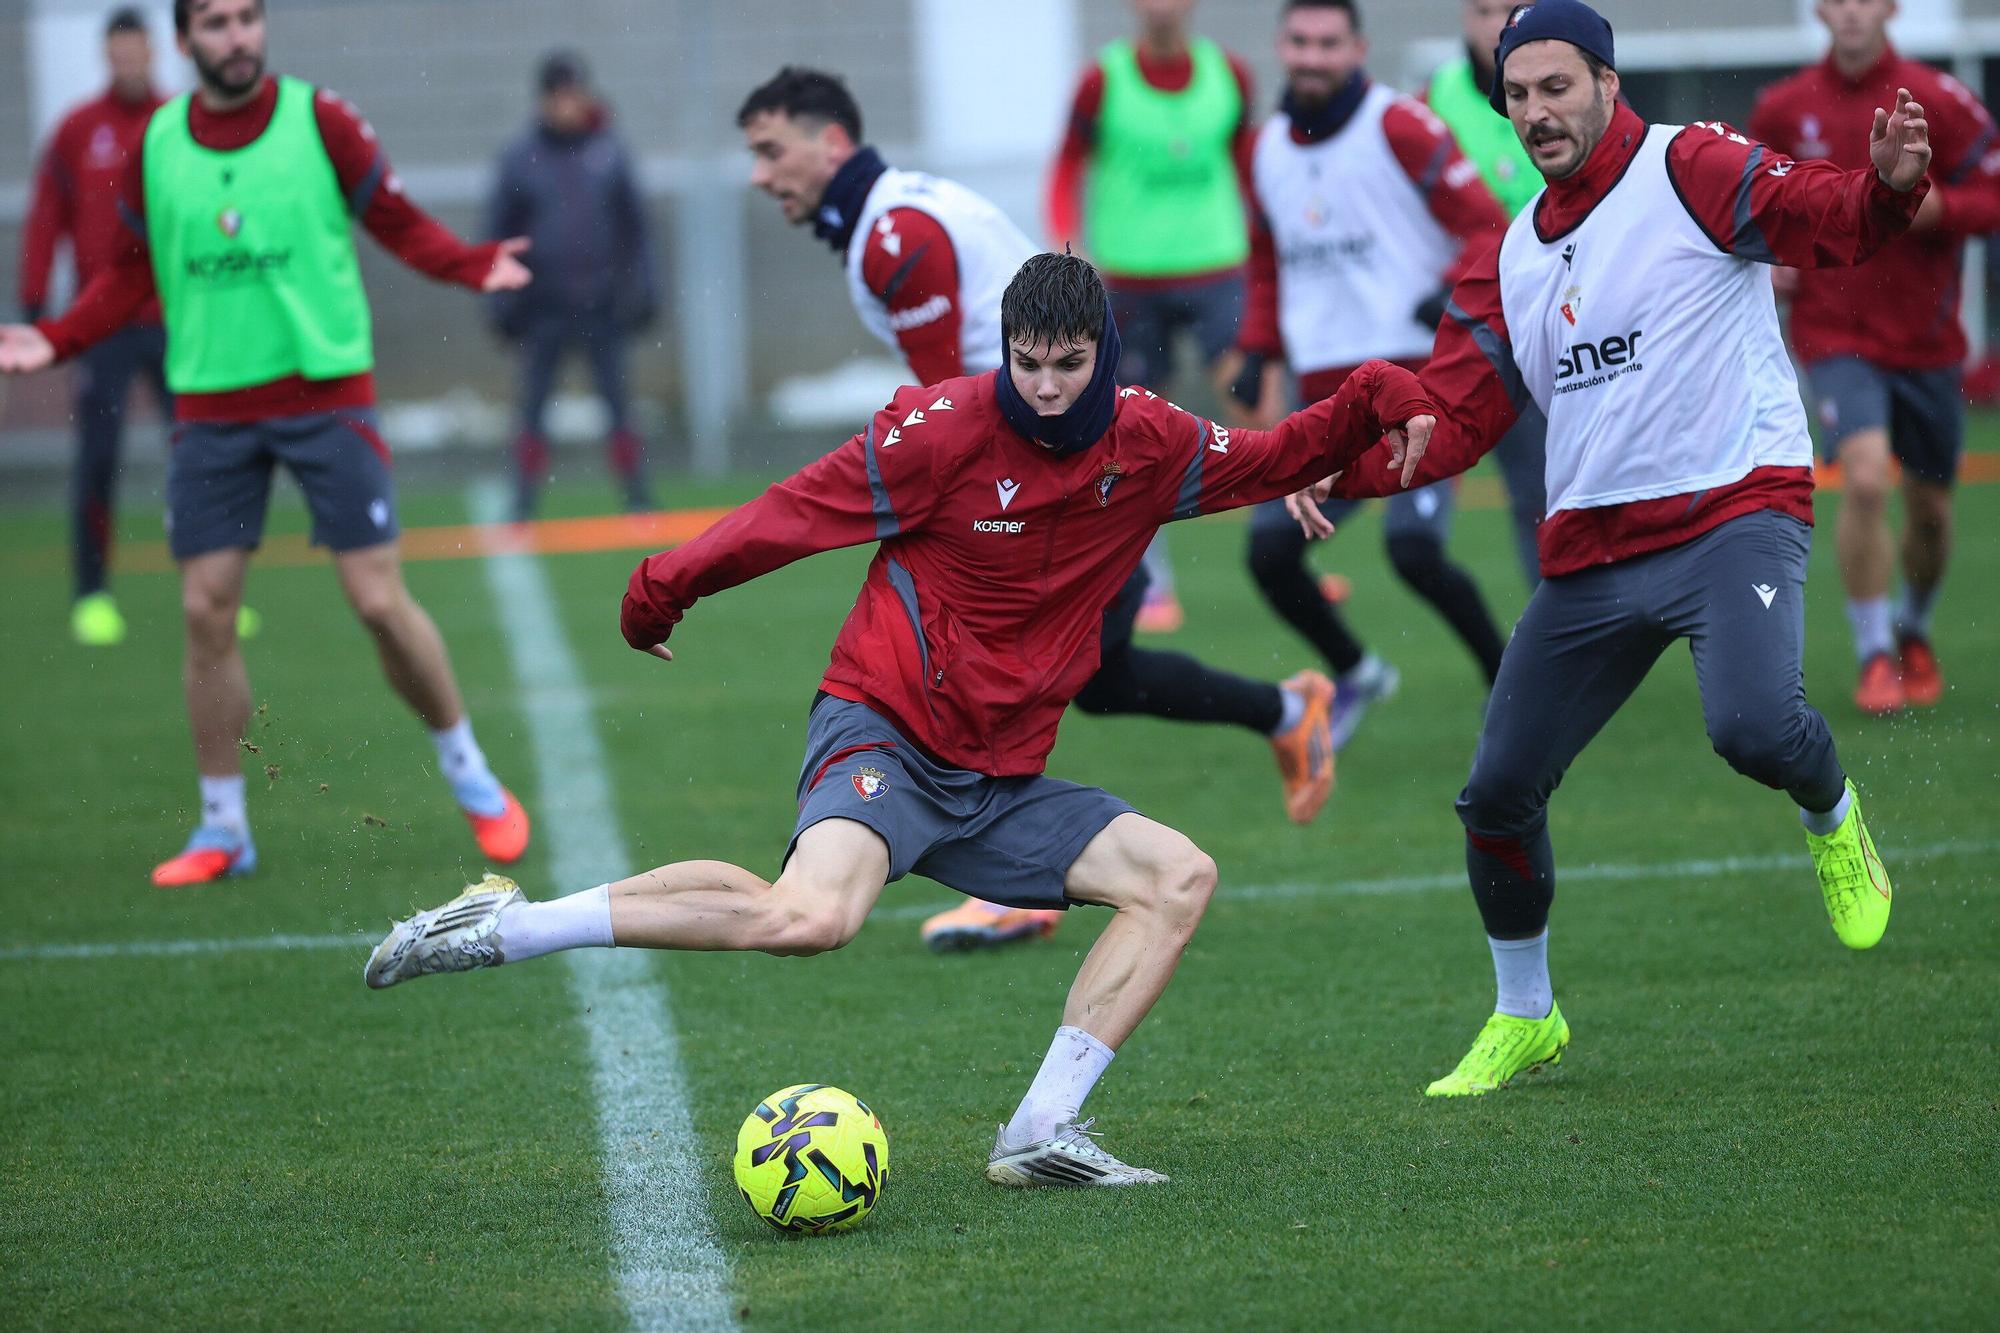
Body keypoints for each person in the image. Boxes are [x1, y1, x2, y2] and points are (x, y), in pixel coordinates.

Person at [365, 251, 1437, 1187]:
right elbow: (791, 512)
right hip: (887, 729)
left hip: (1001, 774)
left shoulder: (1148, 440)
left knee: (1176, 877)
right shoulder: (937, 433)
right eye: (1028, 362)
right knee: (809, 920)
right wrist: (664, 583)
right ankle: (503, 925)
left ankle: (1040, 1129)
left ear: (1103, 354)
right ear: (1005, 350)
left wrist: (1378, 395)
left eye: (1070, 365)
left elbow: (1278, 455)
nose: (1048, 388)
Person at [1284, 0, 1910, 1096]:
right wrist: (1339, 462)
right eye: (1516, 96)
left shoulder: (1690, 168)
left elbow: (1824, 216)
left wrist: (1886, 188)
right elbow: (1450, 418)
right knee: (1494, 795)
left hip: (1731, 514)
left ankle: (1832, 815)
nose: (1534, 113)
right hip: (1592, 554)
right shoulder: (1505, 259)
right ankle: (1524, 1013)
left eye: (1555, 88)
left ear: (1607, 85)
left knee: (1754, 729)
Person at [735, 67, 1340, 954]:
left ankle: (1014, 880)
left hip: (1065, 478)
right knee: (1100, 675)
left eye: (770, 150)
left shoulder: (894, 232)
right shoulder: (889, 213)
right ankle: (1287, 712)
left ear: (831, 143)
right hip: (1057, 469)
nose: (760, 172)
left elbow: (948, 412)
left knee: (1028, 655)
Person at [0, 0, 534, 886]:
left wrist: (471, 264)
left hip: (329, 399)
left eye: (248, 17)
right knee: (204, 609)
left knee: (376, 600)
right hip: (211, 408)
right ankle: (224, 826)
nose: (237, 36)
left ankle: (471, 775)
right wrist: (55, 339)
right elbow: (128, 275)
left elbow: (397, 220)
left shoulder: (319, 119)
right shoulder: (157, 146)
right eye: (215, 22)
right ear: (184, 43)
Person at [1223, 0, 1522, 747]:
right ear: (1279, 47)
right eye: (1300, 41)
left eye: (1329, 43)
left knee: (1414, 551)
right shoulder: (1261, 148)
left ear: (1357, 47)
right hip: (1321, 393)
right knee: (1268, 549)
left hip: (1413, 378)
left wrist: (1443, 290)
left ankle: (1510, 686)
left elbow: (1487, 223)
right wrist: (1256, 345)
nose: (1313, 56)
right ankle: (1359, 672)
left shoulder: (1398, 123)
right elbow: (1268, 261)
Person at [1749, 0, 2000, 714]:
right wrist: (1772, 259)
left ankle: (1913, 630)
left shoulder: (1939, 99)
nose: (1851, 11)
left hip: (1926, 340)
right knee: (1861, 481)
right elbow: (1756, 203)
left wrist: (1931, 206)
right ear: (1819, 12)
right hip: (1835, 334)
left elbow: (1991, 192)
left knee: (1929, 509)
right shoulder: (1782, 106)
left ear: (1890, 7)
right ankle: (1872, 655)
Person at [1047, 0, 1260, 633]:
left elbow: (1250, 166)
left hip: (1220, 266)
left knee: (1253, 400)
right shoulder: (1101, 80)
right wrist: (1067, 238)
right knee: (1129, 430)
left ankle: (1286, 555)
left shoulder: (1231, 75)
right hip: (1131, 279)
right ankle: (1152, 582)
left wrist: (1269, 241)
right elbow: (1066, 166)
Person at [18, 7, 169, 647]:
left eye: (139, 53)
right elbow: (47, 216)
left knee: (203, 452)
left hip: (173, 319)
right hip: (101, 321)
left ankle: (214, 584)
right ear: (108, 58)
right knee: (98, 455)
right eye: (120, 55)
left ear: (154, 54)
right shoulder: (78, 131)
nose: (130, 64)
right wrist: (34, 304)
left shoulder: (177, 126)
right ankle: (92, 594)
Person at [489, 49, 658, 520]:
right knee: (533, 411)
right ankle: (522, 500)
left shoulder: (607, 152)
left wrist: (643, 287)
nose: (568, 106)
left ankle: (637, 494)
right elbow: (499, 233)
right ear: (544, 101)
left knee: (619, 407)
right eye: (559, 96)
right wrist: (501, 301)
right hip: (544, 305)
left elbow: (636, 229)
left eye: (574, 95)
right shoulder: (522, 159)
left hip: (601, 302)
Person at [1422, 0, 1551, 587]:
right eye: (1483, 9)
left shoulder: (1570, 89)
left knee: (1567, 491)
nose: (1497, 23)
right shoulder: (1430, 103)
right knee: (1531, 488)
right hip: (1479, 319)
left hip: (1570, 308)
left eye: (1512, 8)